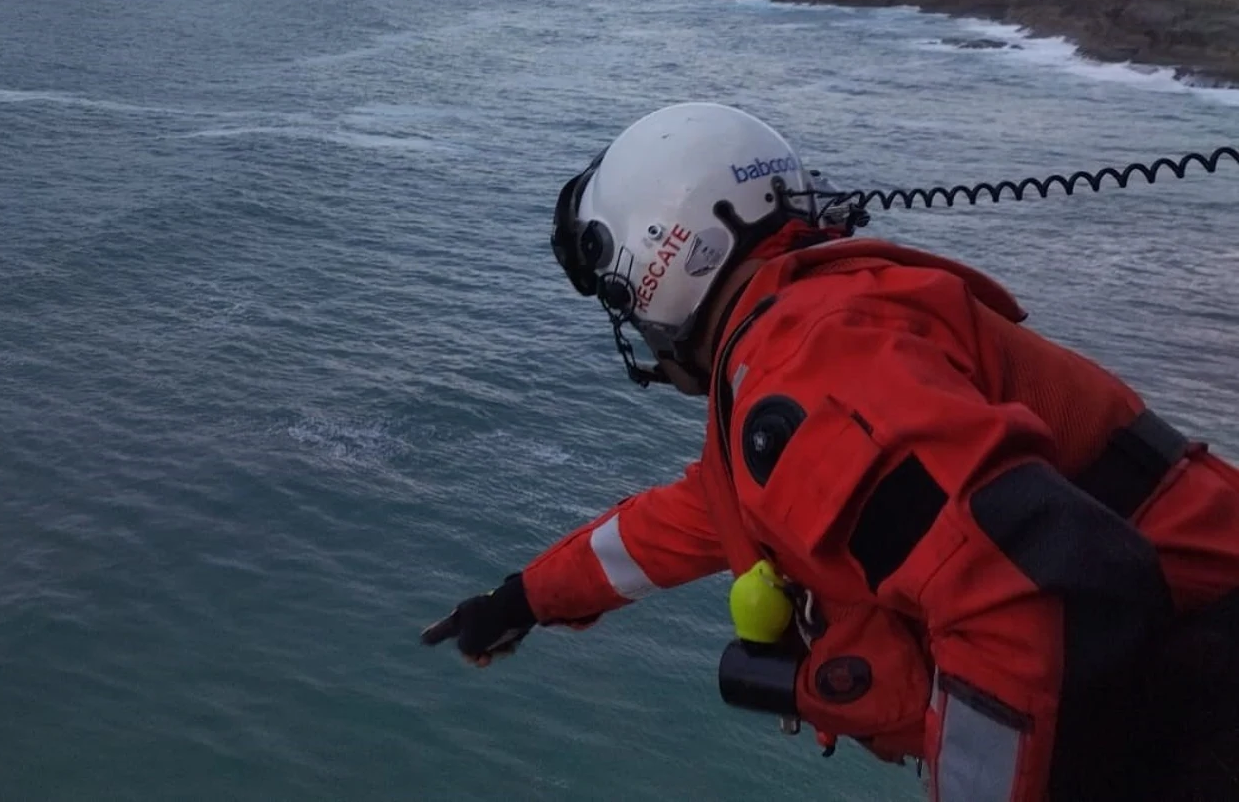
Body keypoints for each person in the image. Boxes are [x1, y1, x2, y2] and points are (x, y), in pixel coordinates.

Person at [422, 102, 1239, 801]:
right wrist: (522, 599)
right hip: (1166, 665)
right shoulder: (808, 335)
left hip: (1194, 690)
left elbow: (1016, 579)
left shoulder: (805, 365)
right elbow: (670, 527)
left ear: (661, 262)